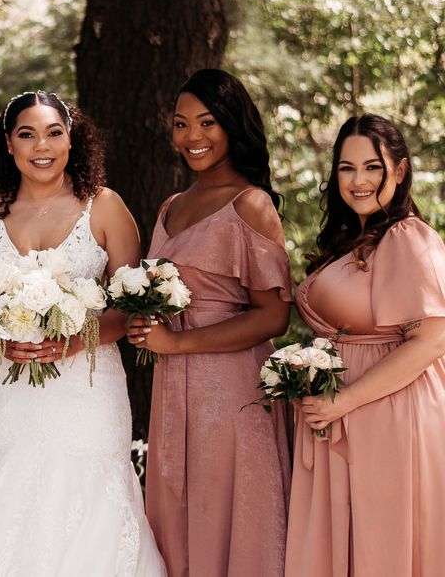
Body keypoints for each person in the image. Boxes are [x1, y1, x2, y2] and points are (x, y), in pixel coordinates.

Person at [0, 91, 166, 576]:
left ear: (72, 140)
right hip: (10, 391)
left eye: (54, 133)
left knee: (90, 500)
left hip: (88, 392)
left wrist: (78, 340)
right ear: (8, 145)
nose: (42, 146)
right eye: (26, 135)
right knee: (8, 498)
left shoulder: (106, 207)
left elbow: (127, 306)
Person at [127, 69, 293, 577]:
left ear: (231, 125)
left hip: (231, 387)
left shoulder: (252, 204)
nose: (192, 136)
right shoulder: (171, 206)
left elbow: (274, 317)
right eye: (181, 124)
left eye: (207, 122)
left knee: (229, 505)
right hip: (173, 386)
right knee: (177, 501)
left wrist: (177, 345)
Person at [284, 114, 445, 576]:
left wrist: (345, 400)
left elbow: (432, 340)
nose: (358, 181)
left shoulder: (408, 238)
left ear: (400, 169)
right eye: (346, 168)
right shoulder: (351, 240)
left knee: (383, 545)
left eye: (372, 167)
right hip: (342, 411)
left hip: (389, 413)